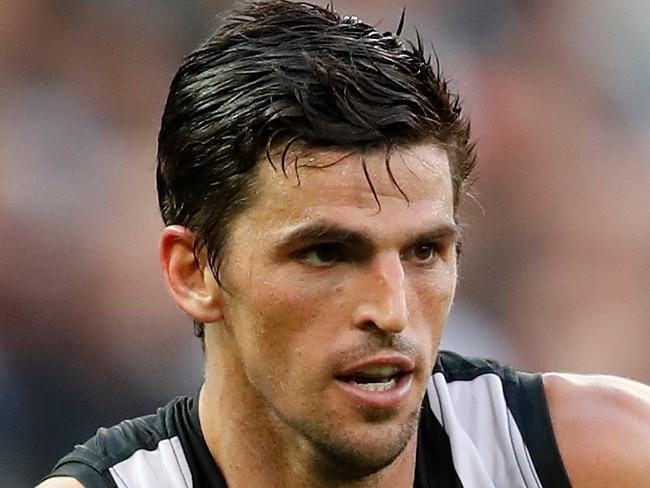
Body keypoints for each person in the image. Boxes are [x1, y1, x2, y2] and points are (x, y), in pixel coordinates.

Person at [37, 1, 650, 487]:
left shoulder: (601, 458)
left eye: (424, 252)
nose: (391, 310)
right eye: (326, 253)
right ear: (193, 272)